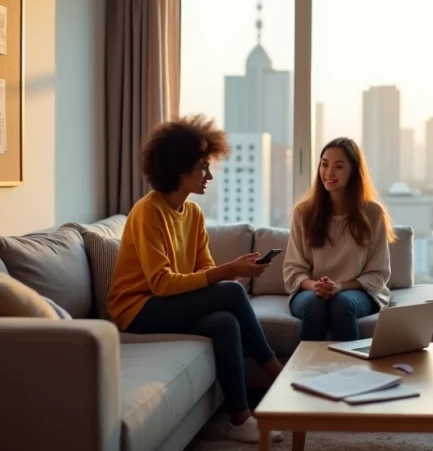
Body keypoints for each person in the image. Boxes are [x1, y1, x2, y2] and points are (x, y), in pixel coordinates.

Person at [105, 115, 283, 444]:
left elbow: (204, 270)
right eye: (202, 167)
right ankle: (277, 373)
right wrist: (230, 273)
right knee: (229, 292)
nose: (209, 175)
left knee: (226, 322)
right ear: (179, 167)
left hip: (168, 304)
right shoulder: (149, 212)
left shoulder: (194, 214)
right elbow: (160, 283)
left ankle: (240, 417)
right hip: (137, 310)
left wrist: (231, 273)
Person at [283, 137, 396, 341]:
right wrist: (316, 286)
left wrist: (340, 287)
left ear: (353, 171)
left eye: (339, 166)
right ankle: (307, 371)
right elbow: (293, 270)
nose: (328, 173)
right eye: (324, 164)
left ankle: (349, 372)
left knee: (342, 305)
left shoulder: (373, 213)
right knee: (314, 305)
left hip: (357, 292)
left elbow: (378, 273)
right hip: (311, 291)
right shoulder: (304, 213)